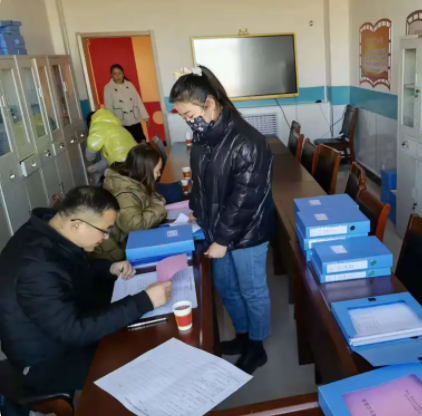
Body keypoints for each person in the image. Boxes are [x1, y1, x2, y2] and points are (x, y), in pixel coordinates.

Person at [0, 186, 172, 399]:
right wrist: (144, 301)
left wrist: (108, 268)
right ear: (77, 225)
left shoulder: (51, 230)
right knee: (139, 363)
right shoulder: (36, 267)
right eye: (105, 230)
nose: (107, 237)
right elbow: (73, 331)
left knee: (139, 333)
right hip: (46, 360)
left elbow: (70, 270)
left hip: (64, 327)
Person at [170, 66, 274, 374]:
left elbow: (245, 199)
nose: (188, 121)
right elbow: (201, 183)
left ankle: (257, 346)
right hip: (217, 229)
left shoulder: (248, 141)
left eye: (189, 115)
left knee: (252, 290)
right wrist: (196, 210)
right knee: (226, 286)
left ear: (210, 104)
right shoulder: (205, 135)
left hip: (246, 232)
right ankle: (243, 335)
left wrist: (222, 241)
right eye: (183, 117)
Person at [94, 144, 167, 262]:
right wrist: (159, 207)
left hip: (128, 243)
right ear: (145, 171)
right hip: (117, 254)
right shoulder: (125, 194)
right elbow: (136, 226)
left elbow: (154, 197)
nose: (159, 175)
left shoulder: (135, 181)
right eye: (157, 171)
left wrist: (156, 203)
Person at [104, 64, 149, 143]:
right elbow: (108, 107)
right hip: (121, 120)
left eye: (119, 73)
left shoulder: (130, 85)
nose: (117, 76)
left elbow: (138, 101)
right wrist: (112, 122)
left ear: (123, 73)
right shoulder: (108, 87)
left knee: (141, 140)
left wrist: (145, 117)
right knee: (127, 142)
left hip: (134, 118)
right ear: (111, 75)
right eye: (115, 74)